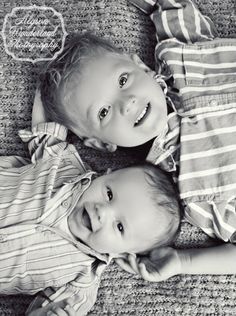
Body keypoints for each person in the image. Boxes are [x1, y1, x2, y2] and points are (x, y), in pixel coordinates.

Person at [39, 0, 236, 279]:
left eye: (122, 81)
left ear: (141, 66)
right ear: (102, 144)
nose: (127, 103)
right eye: (104, 112)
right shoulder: (186, 195)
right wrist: (184, 262)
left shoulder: (183, 53)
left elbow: (169, 5)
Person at [0, 91, 180, 316]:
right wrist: (51, 87)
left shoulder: (82, 278)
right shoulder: (65, 165)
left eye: (120, 226)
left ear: (124, 255)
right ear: (105, 174)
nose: (102, 212)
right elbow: (45, 130)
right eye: (109, 194)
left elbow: (48, 308)